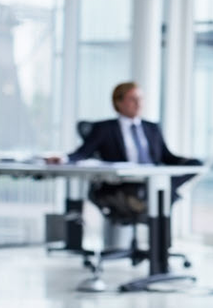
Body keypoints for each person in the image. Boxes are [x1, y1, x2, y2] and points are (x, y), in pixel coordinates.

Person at [51, 81, 201, 218]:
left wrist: (192, 163)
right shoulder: (105, 128)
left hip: (152, 179)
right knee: (160, 195)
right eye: (132, 99)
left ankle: (163, 190)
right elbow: (83, 152)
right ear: (118, 102)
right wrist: (63, 159)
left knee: (188, 170)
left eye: (140, 99)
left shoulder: (152, 128)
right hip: (123, 184)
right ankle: (162, 193)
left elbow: (166, 156)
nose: (138, 103)